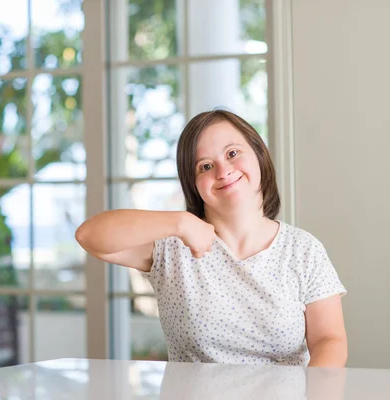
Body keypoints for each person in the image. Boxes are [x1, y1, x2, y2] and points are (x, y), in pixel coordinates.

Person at [75, 110, 347, 367]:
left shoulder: (303, 249)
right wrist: (180, 222)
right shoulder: (171, 247)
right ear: (192, 183)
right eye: (205, 166)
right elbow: (89, 235)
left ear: (259, 156)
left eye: (232, 153)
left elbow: (329, 340)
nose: (223, 171)